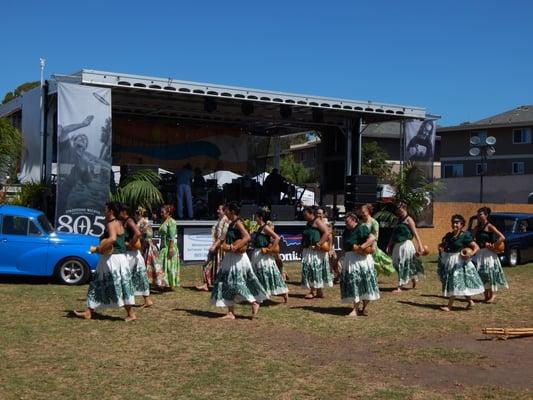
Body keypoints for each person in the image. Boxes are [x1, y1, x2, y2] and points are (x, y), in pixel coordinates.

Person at [73, 202, 136, 321]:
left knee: (103, 283)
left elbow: (112, 238)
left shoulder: (111, 224)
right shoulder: (119, 223)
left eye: (106, 210)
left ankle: (131, 314)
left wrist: (98, 249)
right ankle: (89, 311)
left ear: (111, 211)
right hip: (119, 259)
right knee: (111, 284)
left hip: (112, 259)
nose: (104, 212)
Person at [210, 202, 269, 319]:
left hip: (238, 258)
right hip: (230, 257)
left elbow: (247, 237)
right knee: (225, 283)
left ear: (232, 212)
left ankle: (253, 302)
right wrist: (215, 246)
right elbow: (222, 237)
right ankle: (231, 312)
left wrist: (235, 247)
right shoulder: (230, 223)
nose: (225, 212)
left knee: (235, 283)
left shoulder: (238, 223)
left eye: (226, 210)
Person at [437, 214, 485, 311]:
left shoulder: (464, 236)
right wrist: (441, 247)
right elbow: (443, 245)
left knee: (455, 283)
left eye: (457, 223)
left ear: (462, 224)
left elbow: (476, 247)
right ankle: (470, 302)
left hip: (459, 262)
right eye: (453, 222)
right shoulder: (449, 235)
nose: (454, 224)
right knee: (459, 284)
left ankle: (449, 306)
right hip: (450, 261)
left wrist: (470, 255)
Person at [340, 212, 380, 317]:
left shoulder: (361, 228)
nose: (346, 223)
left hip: (361, 260)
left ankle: (364, 307)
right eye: (345, 222)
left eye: (347, 221)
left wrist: (362, 247)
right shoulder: (346, 231)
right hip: (350, 260)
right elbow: (345, 247)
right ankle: (355, 309)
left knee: (364, 284)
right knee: (353, 283)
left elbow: (372, 238)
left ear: (354, 220)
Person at [251, 207, 289, 302]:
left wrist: (270, 249)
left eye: (256, 217)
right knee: (259, 274)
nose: (255, 219)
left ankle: (283, 292)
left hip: (264, 255)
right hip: (257, 254)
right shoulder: (259, 228)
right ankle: (261, 295)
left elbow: (277, 237)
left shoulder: (265, 227)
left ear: (260, 218)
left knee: (268, 274)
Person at [386, 202, 425, 292]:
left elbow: (415, 234)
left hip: (406, 244)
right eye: (398, 210)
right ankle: (413, 277)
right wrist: (389, 244)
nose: (399, 211)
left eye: (400, 209)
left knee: (403, 264)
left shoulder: (409, 220)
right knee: (396, 263)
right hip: (398, 245)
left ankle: (400, 286)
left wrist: (420, 246)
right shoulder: (398, 220)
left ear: (404, 208)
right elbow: (393, 234)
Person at [472, 207, 508, 303]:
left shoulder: (490, 226)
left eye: (480, 214)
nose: (478, 216)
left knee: (489, 273)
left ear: (486, 215)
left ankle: (492, 295)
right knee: (481, 273)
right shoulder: (476, 228)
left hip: (489, 254)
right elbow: (472, 239)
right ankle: (486, 296)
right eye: (478, 214)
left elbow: (502, 237)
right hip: (480, 253)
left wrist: (494, 245)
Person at [120, 205, 153, 308]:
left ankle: (144, 300)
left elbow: (138, 234)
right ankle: (146, 300)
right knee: (136, 275)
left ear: (124, 211)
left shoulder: (129, 221)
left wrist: (130, 244)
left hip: (132, 254)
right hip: (131, 253)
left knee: (128, 275)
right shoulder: (126, 221)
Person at [196, 204, 230, 291]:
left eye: (219, 210)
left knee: (219, 267)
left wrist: (215, 245)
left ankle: (220, 285)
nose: (217, 211)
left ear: (224, 211)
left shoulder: (226, 221)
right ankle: (206, 284)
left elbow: (223, 236)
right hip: (216, 246)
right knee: (207, 265)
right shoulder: (219, 220)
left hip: (221, 248)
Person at [301, 206, 332, 299]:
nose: (304, 216)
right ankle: (318, 291)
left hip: (316, 251)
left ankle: (313, 291)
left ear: (311, 214)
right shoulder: (308, 223)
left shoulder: (317, 221)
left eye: (306, 215)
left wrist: (319, 243)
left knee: (314, 268)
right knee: (311, 269)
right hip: (308, 249)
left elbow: (327, 232)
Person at [360, 204, 395, 277]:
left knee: (375, 264)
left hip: (371, 246)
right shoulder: (361, 223)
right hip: (363, 246)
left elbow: (375, 236)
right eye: (361, 212)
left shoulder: (374, 222)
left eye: (363, 212)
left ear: (368, 211)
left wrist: (373, 246)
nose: (362, 213)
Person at [135, 207, 163, 289]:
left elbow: (146, 235)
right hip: (147, 244)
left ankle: (146, 282)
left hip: (145, 245)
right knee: (151, 264)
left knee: (147, 264)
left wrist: (142, 246)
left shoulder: (142, 222)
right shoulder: (144, 222)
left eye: (136, 215)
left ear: (139, 215)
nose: (135, 216)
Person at [157, 205, 180, 289]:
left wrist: (170, 248)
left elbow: (172, 236)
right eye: (161, 212)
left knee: (169, 267)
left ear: (168, 213)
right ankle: (163, 283)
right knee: (162, 265)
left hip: (169, 247)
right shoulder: (163, 221)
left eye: (162, 212)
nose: (161, 214)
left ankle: (169, 284)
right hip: (163, 247)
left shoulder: (172, 222)